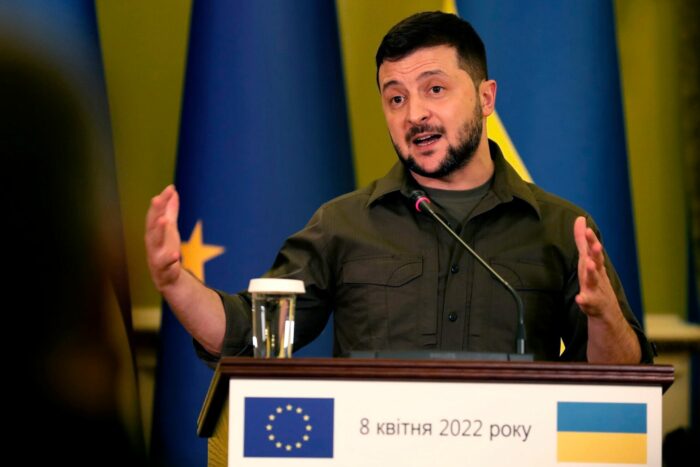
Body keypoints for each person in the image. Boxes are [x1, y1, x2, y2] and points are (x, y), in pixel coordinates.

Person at [145, 11, 653, 363]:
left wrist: (603, 315)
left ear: (485, 98)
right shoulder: (342, 225)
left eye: (435, 89)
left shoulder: (561, 229)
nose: (415, 115)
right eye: (396, 98)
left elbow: (624, 379)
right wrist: (175, 282)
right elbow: (248, 337)